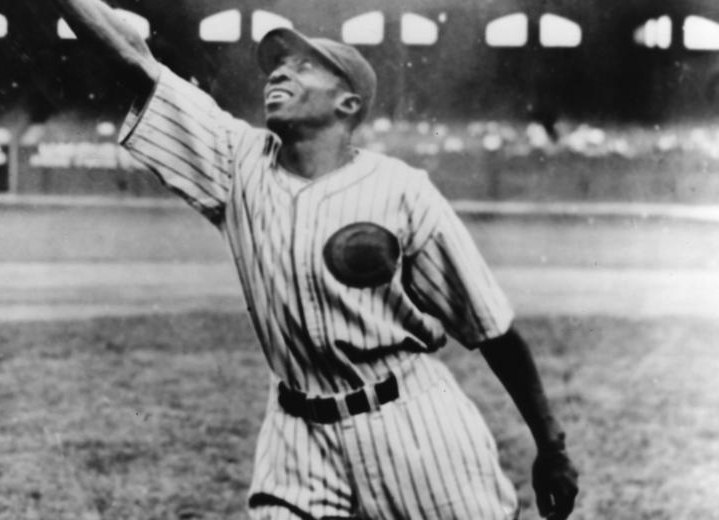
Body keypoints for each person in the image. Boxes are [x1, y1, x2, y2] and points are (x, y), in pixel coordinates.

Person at [47, 1, 579, 518]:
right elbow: (138, 62)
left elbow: (491, 329)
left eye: (302, 66)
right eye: (276, 67)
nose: (278, 74)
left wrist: (550, 446)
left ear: (347, 104)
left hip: (413, 425)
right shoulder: (237, 164)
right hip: (297, 436)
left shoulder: (402, 192)